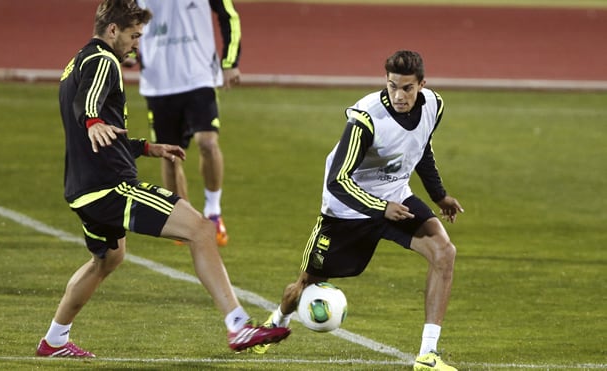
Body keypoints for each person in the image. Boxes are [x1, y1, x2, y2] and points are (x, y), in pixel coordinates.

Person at [35, 0, 289, 357]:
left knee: (108, 259)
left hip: (81, 190)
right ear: (112, 31)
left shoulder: (76, 62)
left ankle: (54, 341)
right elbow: (87, 106)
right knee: (201, 229)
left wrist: (145, 148)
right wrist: (91, 120)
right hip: (111, 187)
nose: (137, 45)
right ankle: (238, 326)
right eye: (134, 36)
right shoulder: (103, 60)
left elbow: (100, 125)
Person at [252, 50, 462, 371]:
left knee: (444, 252)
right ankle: (274, 322)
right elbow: (338, 179)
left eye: (407, 88)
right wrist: (380, 208)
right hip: (346, 211)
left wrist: (440, 195)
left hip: (395, 199)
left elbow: (421, 149)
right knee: (306, 283)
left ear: (422, 85)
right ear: (385, 81)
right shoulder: (366, 118)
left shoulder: (434, 105)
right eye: (392, 86)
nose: (398, 95)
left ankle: (428, 355)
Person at [130, 0, 243, 247]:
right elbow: (123, 17)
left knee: (208, 142)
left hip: (199, 76)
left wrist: (230, 62)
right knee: (169, 155)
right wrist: (128, 52)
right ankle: (183, 222)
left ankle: (213, 213)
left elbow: (229, 15)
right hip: (158, 82)